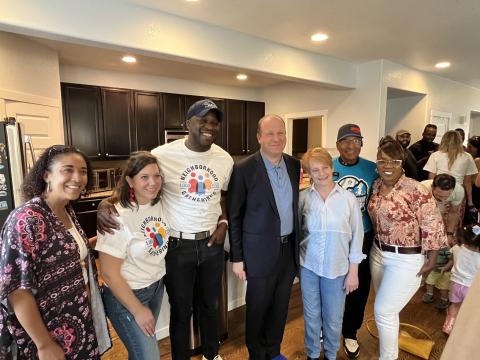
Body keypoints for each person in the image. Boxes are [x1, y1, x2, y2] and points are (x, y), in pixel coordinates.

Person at [97, 99, 233, 360]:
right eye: (203, 120)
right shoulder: (162, 154)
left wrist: (224, 222)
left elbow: (223, 195)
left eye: (215, 123)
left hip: (211, 245)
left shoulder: (224, 159)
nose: (210, 126)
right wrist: (106, 202)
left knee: (210, 305)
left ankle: (211, 355)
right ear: (188, 124)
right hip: (177, 246)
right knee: (181, 310)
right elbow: (136, 177)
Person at [0, 145, 110, 359]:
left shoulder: (65, 209)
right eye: (67, 170)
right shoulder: (26, 219)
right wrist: (44, 344)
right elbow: (16, 289)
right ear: (46, 175)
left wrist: (104, 239)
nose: (77, 178)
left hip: (76, 319)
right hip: (46, 329)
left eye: (83, 171)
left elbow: (65, 252)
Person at [228, 114, 300, 360]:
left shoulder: (294, 165)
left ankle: (273, 351)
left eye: (280, 133)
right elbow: (234, 216)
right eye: (269, 133)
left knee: (280, 307)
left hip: (288, 250)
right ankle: (256, 355)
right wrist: (237, 258)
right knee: (258, 308)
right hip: (257, 253)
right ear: (259, 137)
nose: (276, 138)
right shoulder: (243, 169)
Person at [368, 136, 447, 360]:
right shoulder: (375, 186)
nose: (388, 166)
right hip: (378, 253)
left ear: (402, 163)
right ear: (377, 163)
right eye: (382, 161)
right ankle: (389, 348)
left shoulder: (416, 190)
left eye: (394, 161)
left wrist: (432, 259)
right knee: (387, 310)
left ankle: (388, 357)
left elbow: (433, 223)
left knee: (384, 311)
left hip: (406, 259)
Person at [96, 152, 169, 359]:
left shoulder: (159, 204)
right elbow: (109, 274)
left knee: (139, 353)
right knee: (149, 356)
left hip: (155, 288)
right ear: (130, 181)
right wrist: (137, 309)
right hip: (126, 297)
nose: (153, 182)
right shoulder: (115, 217)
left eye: (157, 175)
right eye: (144, 177)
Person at [299, 147, 365, 360]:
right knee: (311, 316)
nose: (321, 173)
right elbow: (297, 232)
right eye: (314, 170)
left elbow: (357, 236)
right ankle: (312, 353)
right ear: (308, 172)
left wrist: (353, 271)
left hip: (337, 268)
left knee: (334, 318)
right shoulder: (303, 198)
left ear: (331, 166)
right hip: (308, 265)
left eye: (324, 167)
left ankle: (330, 354)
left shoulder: (348, 199)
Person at [332, 123, 378, 359]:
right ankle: (327, 327)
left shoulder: (373, 169)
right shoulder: (327, 166)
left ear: (362, 144)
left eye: (356, 141)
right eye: (346, 141)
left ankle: (350, 332)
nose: (351, 146)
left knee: (358, 286)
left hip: (363, 235)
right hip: (334, 236)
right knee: (332, 283)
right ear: (338, 144)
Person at [421, 175, 463, 309]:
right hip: (423, 216)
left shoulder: (459, 191)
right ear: (432, 187)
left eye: (446, 196)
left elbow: (454, 212)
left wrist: (449, 233)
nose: (442, 199)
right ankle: (422, 280)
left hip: (442, 216)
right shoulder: (422, 188)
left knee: (442, 249)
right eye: (438, 195)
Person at [424, 130, 478, 223]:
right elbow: (467, 182)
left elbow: (431, 179)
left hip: (439, 191)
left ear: (444, 140)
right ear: (460, 141)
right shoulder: (467, 157)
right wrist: (470, 202)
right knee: (454, 221)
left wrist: (430, 197)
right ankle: (452, 236)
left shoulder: (435, 155)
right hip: (458, 192)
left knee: (437, 221)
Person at [442, 224, 480, 334]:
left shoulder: (456, 249)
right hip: (471, 288)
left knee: (454, 306)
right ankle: (463, 331)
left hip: (455, 284)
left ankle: (448, 327)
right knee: (469, 310)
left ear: (463, 238)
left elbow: (453, 258)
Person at [466, 136, 480, 222]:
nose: (467, 149)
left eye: (470, 147)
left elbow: (473, 181)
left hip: (476, 193)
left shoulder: (477, 160)